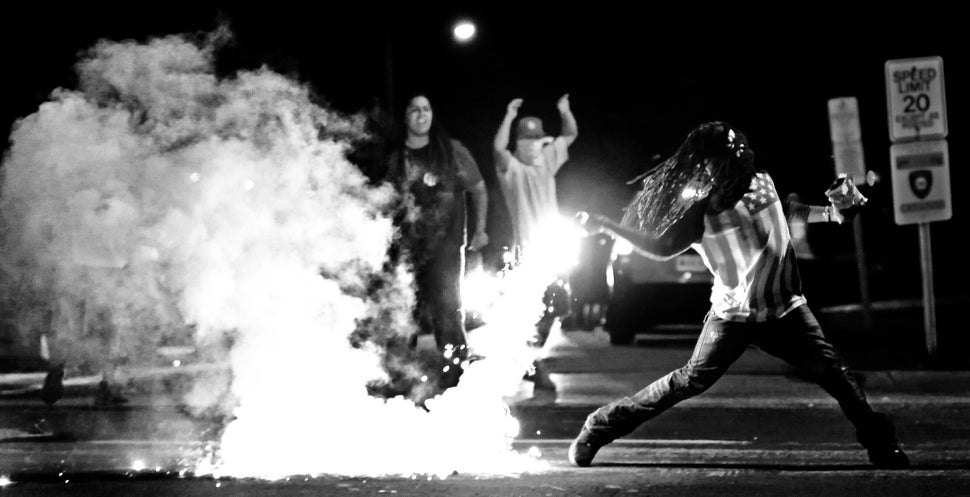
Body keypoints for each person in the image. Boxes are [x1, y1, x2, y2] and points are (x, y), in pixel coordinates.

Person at [569, 121, 909, 469]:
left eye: (736, 155)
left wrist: (832, 214)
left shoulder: (761, 181)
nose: (734, 163)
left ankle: (882, 445)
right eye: (723, 159)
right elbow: (662, 248)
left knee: (836, 374)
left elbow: (783, 209)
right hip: (732, 317)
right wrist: (606, 225)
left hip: (785, 310)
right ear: (707, 166)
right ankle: (600, 426)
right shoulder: (701, 210)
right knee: (688, 381)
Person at [385, 92, 489, 388]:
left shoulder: (451, 151)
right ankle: (399, 376)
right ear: (405, 117)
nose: (421, 115)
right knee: (402, 308)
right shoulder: (396, 155)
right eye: (415, 110)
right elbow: (386, 196)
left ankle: (456, 374)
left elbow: (479, 188)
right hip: (407, 247)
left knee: (447, 309)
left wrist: (480, 229)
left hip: (446, 247)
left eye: (426, 109)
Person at [493, 94, 578, 348]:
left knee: (558, 300)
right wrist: (509, 117)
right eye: (526, 139)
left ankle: (536, 345)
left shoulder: (547, 159)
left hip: (550, 243)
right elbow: (498, 149)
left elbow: (570, 134)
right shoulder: (511, 168)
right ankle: (526, 350)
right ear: (518, 142)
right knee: (528, 301)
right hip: (524, 246)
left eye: (535, 139)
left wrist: (565, 111)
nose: (531, 145)